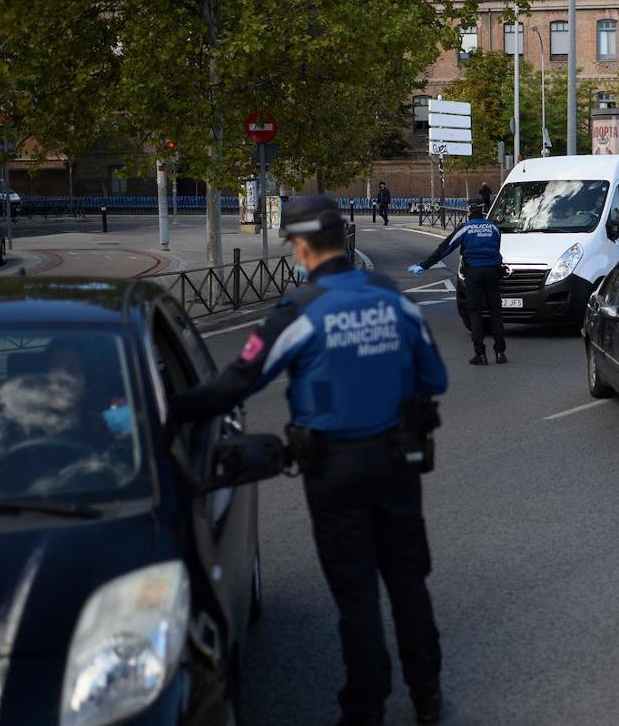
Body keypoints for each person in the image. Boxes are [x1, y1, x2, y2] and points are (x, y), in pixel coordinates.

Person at [170, 195, 449, 726]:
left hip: (334, 473)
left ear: (300, 247)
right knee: (409, 582)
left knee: (357, 591)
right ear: (342, 240)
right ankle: (427, 696)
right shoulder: (395, 301)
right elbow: (436, 379)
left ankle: (365, 707)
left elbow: (234, 384)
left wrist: (165, 407)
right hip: (397, 464)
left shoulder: (298, 313)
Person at [408, 200, 507, 366]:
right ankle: (500, 352)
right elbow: (496, 248)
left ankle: (480, 354)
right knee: (495, 312)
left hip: (474, 272)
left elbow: (445, 248)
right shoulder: (494, 228)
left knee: (475, 312)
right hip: (493, 271)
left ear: (469, 211)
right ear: (483, 211)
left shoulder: (465, 228)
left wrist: (423, 265)